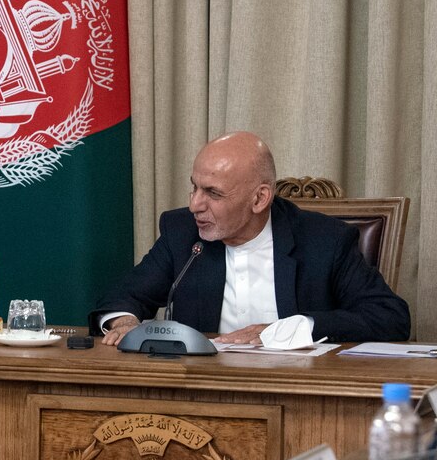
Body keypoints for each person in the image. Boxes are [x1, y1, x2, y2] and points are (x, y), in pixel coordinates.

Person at [90, 131, 410, 346]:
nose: (194, 205)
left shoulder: (325, 240)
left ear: (259, 199)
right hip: (202, 392)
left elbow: (390, 317)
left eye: (213, 193)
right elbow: (124, 297)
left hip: (298, 393)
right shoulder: (183, 233)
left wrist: (294, 329)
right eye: (195, 187)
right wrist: (124, 323)